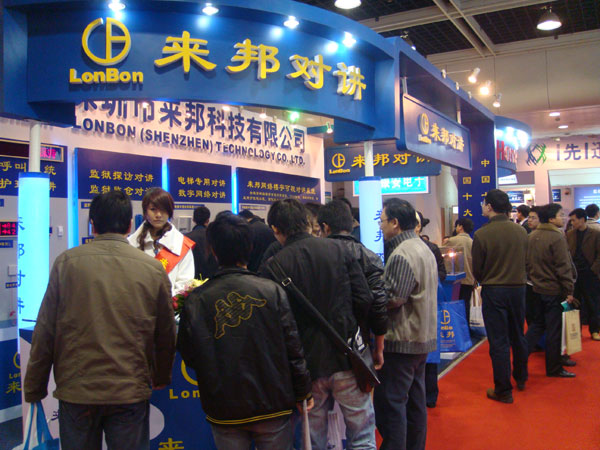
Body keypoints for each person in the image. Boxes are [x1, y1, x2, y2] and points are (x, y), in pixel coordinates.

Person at [24, 191, 176, 450]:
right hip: (129, 389)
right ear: (130, 224)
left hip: (77, 390)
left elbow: (45, 330)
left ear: (92, 224)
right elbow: (165, 332)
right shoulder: (152, 268)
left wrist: (34, 386)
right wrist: (161, 375)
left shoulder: (66, 263)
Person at [177, 213, 313, 450]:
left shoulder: (197, 299)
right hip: (273, 403)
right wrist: (303, 392)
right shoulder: (271, 291)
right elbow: (293, 348)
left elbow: (190, 354)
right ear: (249, 248)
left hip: (223, 406)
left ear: (213, 250)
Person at [261, 199, 377, 450]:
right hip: (347, 356)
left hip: (306, 367)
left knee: (313, 441)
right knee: (362, 437)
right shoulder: (339, 250)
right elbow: (364, 298)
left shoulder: (273, 266)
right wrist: (352, 329)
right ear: (307, 222)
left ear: (276, 230)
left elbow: (273, 324)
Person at [374, 199, 437, 450]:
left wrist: (372, 293)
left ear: (395, 223)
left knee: (391, 405)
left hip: (402, 340)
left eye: (382, 221)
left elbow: (393, 298)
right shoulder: (422, 247)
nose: (380, 227)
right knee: (414, 403)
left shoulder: (402, 254)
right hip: (421, 337)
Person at [472, 189, 528, 404]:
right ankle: (521, 377)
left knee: (499, 341)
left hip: (494, 289)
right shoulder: (521, 231)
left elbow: (477, 269)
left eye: (484, 203)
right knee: (518, 334)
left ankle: (503, 389)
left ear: (489, 206)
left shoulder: (482, 234)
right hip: (518, 288)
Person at [317, 199, 387, 353]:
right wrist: (379, 346)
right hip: (359, 339)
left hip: (322, 339)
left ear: (325, 227)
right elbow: (378, 302)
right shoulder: (369, 256)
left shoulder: (315, 257)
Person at [525, 203, 576, 378]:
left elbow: (527, 264)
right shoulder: (556, 237)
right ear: (552, 218)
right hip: (554, 290)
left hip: (536, 288)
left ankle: (520, 358)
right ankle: (554, 368)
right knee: (554, 330)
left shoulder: (532, 236)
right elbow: (563, 267)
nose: (564, 218)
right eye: (561, 215)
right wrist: (569, 290)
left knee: (537, 325)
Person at [129, 187, 195, 296]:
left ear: (169, 211)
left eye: (163, 209)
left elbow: (185, 284)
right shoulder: (131, 244)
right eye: (153, 209)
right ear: (145, 211)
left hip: (170, 305)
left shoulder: (181, 244)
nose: (158, 215)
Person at [567, 208, 600, 341]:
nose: (572, 223)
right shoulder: (569, 234)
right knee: (575, 304)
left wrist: (593, 270)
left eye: (574, 220)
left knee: (592, 303)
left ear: (582, 219)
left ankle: (595, 330)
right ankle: (576, 331)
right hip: (574, 275)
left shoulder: (595, 234)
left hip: (590, 274)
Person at [443, 218, 475, 324]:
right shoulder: (473, 242)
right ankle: (465, 328)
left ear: (460, 227)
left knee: (454, 305)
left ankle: (455, 328)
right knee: (466, 305)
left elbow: (443, 258)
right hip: (469, 279)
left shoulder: (452, 241)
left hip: (454, 280)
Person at [185, 206, 217, 280]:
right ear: (208, 220)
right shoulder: (214, 236)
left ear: (193, 219)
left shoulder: (186, 238)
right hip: (212, 279)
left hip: (191, 280)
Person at [525, 207, 541, 326]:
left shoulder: (549, 236)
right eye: (529, 217)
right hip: (528, 281)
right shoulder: (527, 236)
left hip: (543, 282)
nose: (529, 220)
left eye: (533, 218)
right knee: (530, 312)